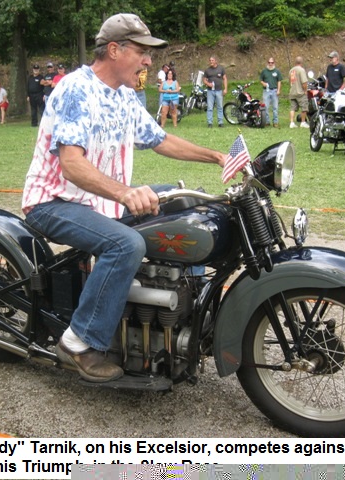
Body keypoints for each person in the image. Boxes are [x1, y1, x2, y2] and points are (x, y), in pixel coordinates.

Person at [21, 13, 227, 383]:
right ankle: (78, 342)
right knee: (125, 245)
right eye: (142, 52)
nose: (148, 61)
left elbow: (160, 140)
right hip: (54, 201)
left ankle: (191, 308)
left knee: (187, 205)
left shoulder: (124, 96)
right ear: (114, 50)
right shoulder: (76, 90)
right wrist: (125, 192)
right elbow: (71, 163)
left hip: (103, 202)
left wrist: (216, 156)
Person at [203, 56, 227, 128]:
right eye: (210, 60)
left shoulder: (221, 69)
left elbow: (225, 78)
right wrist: (208, 84)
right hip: (210, 91)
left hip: (219, 90)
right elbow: (204, 80)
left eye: (212, 60)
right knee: (210, 107)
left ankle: (220, 122)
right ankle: (210, 123)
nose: (211, 62)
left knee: (220, 107)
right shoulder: (207, 70)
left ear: (216, 61)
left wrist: (225, 89)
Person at [259, 57, 282, 127]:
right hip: (266, 91)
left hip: (274, 90)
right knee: (265, 107)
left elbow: (279, 81)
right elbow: (261, 80)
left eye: (272, 62)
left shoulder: (277, 71)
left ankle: (275, 122)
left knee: (275, 107)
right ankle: (267, 121)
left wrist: (278, 90)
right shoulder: (264, 71)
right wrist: (263, 83)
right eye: (269, 62)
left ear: (274, 63)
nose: (270, 64)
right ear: (267, 63)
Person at [288, 56, 309, 128]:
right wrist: (305, 91)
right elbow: (304, 82)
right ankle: (303, 122)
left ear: (295, 62)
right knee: (304, 107)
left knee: (292, 108)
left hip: (292, 92)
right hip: (300, 92)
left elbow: (290, 82)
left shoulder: (291, 70)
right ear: (301, 62)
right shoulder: (301, 70)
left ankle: (291, 123)